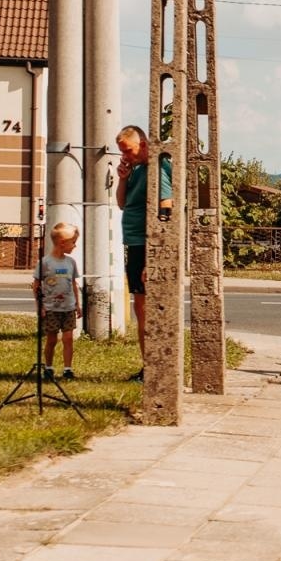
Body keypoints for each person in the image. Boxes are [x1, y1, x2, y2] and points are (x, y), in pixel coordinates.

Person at [116, 124, 172, 378]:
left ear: (144, 145)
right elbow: (122, 203)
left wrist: (155, 256)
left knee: (148, 308)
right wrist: (123, 179)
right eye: (123, 152)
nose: (126, 157)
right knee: (140, 308)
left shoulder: (157, 169)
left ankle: (156, 365)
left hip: (146, 244)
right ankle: (147, 365)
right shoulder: (137, 170)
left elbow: (166, 208)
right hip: (135, 242)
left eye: (129, 151)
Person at [33, 221, 82, 379]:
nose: (75, 246)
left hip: (68, 308)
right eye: (73, 242)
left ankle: (68, 368)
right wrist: (40, 306)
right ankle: (48, 366)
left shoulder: (71, 263)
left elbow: (74, 283)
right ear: (62, 243)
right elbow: (36, 285)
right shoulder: (45, 263)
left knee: (68, 338)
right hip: (51, 308)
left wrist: (77, 304)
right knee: (52, 339)